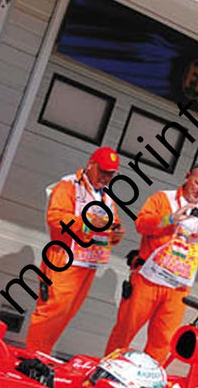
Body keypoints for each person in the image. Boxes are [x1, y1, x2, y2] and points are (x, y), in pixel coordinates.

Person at [104, 162, 198, 364]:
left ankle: (146, 382)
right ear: (187, 177)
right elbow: (142, 224)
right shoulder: (163, 198)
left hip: (178, 289)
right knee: (125, 331)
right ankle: (107, 369)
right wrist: (170, 219)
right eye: (197, 183)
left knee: (162, 341)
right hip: (148, 279)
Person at [24, 147, 125, 354]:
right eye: (103, 172)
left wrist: (116, 233)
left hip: (88, 263)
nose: (106, 178)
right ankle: (32, 356)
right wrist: (86, 224)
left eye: (110, 174)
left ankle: (42, 355)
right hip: (63, 259)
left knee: (66, 313)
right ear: (91, 164)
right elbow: (55, 217)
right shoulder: (69, 185)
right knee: (51, 311)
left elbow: (111, 223)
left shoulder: (106, 196)